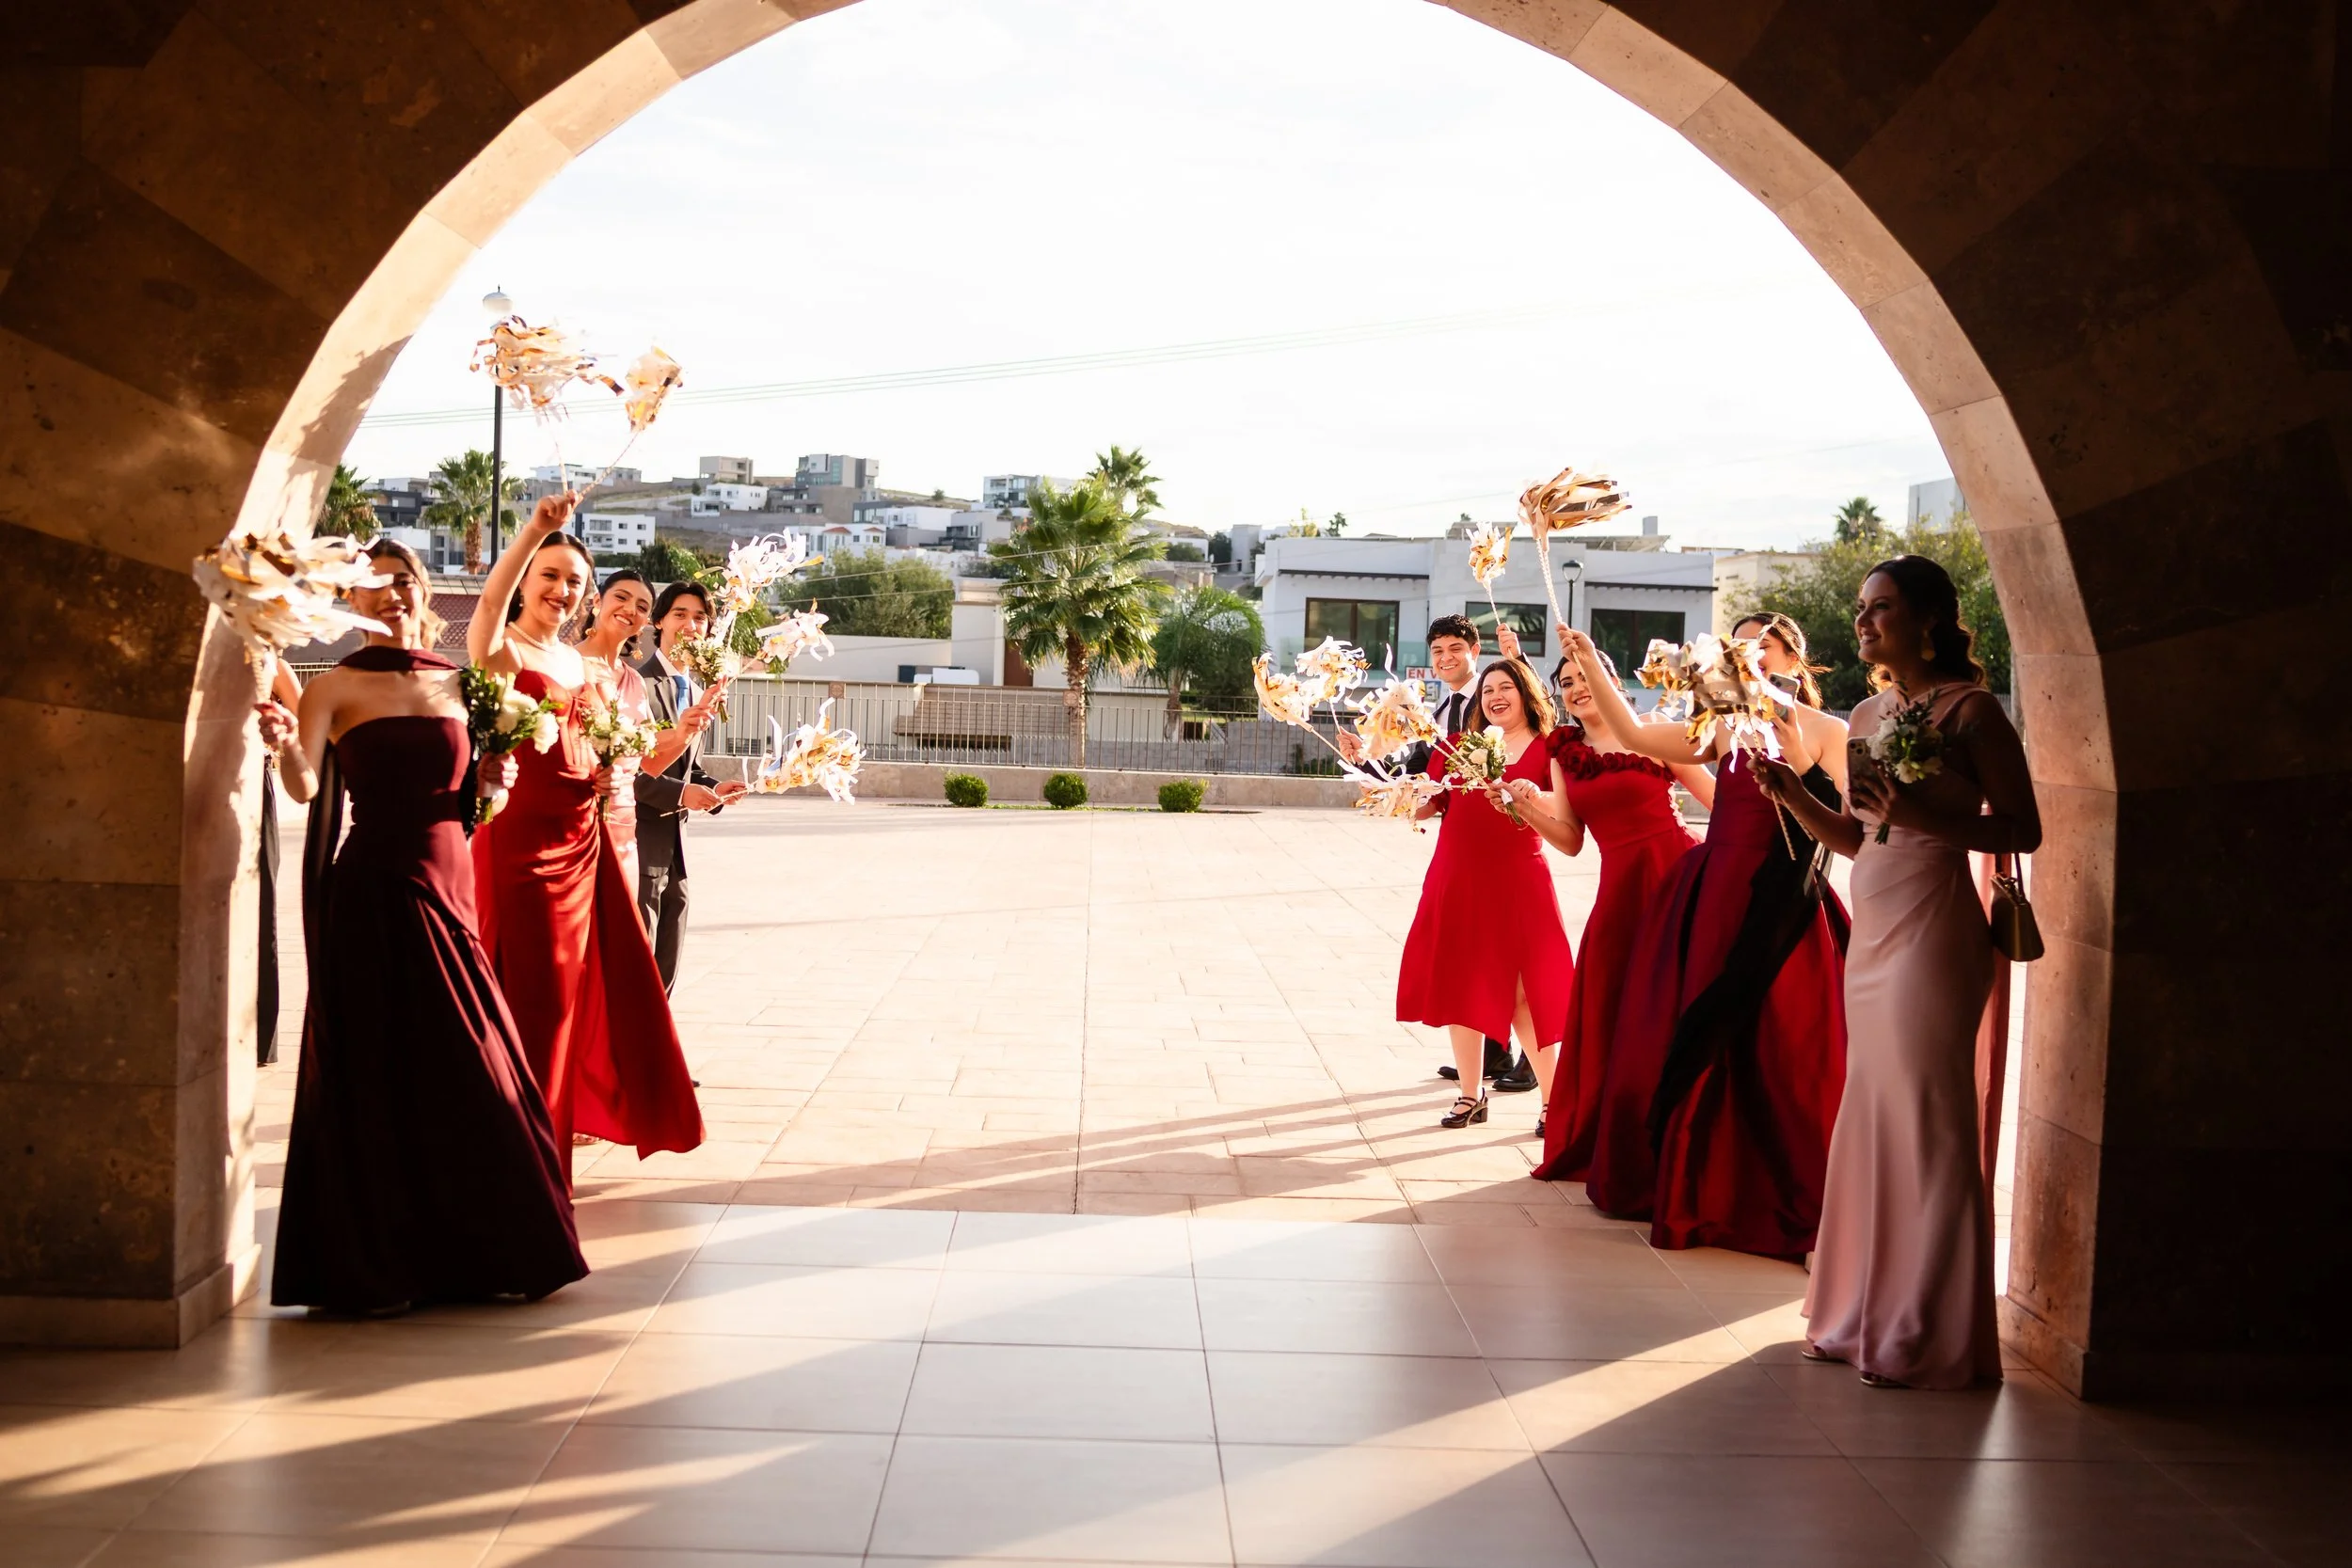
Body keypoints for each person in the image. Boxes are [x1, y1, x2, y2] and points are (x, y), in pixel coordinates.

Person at [255, 537, 585, 1312]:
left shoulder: (462, 682)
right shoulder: (333, 685)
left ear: (422, 590)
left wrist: (495, 780)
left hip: (452, 888)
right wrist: (284, 746)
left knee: (473, 1066)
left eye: (402, 580)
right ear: (351, 599)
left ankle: (486, 1252)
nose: (390, 592)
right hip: (373, 890)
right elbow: (306, 788)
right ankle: (375, 1269)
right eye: (372, 583)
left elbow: (475, 804)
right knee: (376, 1074)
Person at [1756, 557, 2040, 1388]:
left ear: (1928, 619)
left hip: (1936, 929)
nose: (1863, 621)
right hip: (1875, 928)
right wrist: (1791, 795)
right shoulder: (1866, 713)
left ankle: (1926, 1331)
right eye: (1860, 607)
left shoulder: (1973, 710)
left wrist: (1923, 816)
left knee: (1927, 1116)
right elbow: (1856, 836)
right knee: (1874, 1112)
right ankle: (1857, 1314)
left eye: (1880, 607)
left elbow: (2024, 829)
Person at [1567, 612, 1851, 1260]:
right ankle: (1692, 1185)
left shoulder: (1828, 730)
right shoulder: (1720, 723)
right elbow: (1636, 733)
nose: (1749, 654)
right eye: (1740, 645)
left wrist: (1792, 763)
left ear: (1793, 659)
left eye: (1764, 645)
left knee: (1784, 1041)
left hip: (1784, 896)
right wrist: (1588, 663)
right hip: (1716, 893)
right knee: (1697, 1028)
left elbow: (1850, 821)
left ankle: (1786, 1190)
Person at [469, 494, 704, 1175]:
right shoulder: (503, 648)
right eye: (549, 575)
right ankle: (510, 1150)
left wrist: (603, 770)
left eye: (574, 580)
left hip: (583, 839)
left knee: (579, 994)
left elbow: (601, 748)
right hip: (521, 842)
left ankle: (546, 1142)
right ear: (525, 582)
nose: (561, 589)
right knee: (527, 996)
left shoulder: (579, 666)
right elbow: (488, 605)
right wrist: (535, 531)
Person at [1492, 626, 1712, 1176]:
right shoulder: (1565, 754)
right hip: (1619, 896)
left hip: (1680, 878)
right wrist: (1522, 806)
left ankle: (1693, 1137)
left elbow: (1720, 800)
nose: (1576, 688)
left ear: (1611, 679)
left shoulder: (1655, 732)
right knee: (1619, 1015)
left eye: (1585, 674)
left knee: (1682, 1007)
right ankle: (1626, 1142)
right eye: (1566, 682)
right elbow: (1569, 840)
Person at [1349, 613, 1536, 1095]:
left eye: (1455, 648)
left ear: (1474, 651)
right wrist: (1367, 764)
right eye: (1437, 651)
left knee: (1512, 956)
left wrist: (1519, 662)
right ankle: (1491, 1053)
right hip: (1462, 843)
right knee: (1470, 953)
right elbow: (1420, 770)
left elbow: (1539, 719)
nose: (1446, 658)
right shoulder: (1439, 712)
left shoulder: (1496, 692)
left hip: (1509, 840)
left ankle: (1530, 1059)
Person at [1395, 658, 1575, 1128]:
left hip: (1518, 880)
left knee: (1522, 995)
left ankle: (1554, 1101)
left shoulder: (1551, 747)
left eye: (1505, 687)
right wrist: (1379, 775)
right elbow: (1425, 806)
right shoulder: (1457, 746)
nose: (1495, 696)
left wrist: (1533, 795)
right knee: (1462, 982)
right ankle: (1470, 1095)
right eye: (1488, 690)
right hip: (1457, 877)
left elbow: (1569, 812)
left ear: (1526, 693)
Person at [633, 579, 748, 990]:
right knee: (638, 956)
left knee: (671, 946)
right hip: (639, 839)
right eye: (679, 614)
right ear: (659, 622)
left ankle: (658, 1023)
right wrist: (683, 794)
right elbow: (631, 771)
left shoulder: (699, 691)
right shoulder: (637, 685)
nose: (690, 624)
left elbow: (688, 768)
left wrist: (715, 790)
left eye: (699, 617)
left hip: (676, 845)